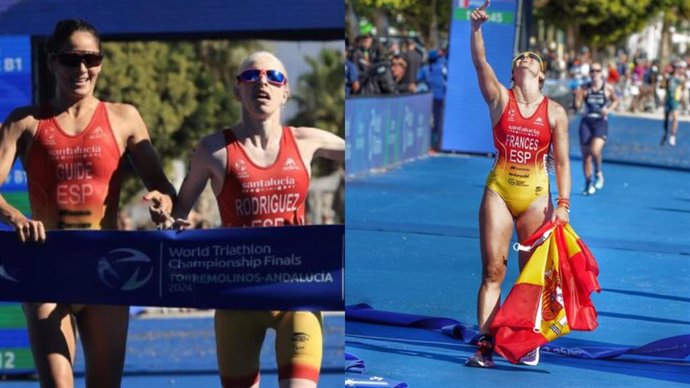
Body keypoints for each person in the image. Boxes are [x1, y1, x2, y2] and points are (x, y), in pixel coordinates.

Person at [151, 51, 344, 388]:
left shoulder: (306, 140)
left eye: (274, 77)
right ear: (236, 90)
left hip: (295, 295)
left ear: (286, 92)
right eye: (251, 76)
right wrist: (164, 214)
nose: (263, 83)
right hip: (237, 297)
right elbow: (175, 219)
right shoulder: (212, 150)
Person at [0, 19, 175, 387]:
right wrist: (15, 217)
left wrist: (162, 203)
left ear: (101, 62)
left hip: (106, 267)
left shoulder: (124, 117)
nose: (82, 68)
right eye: (70, 59)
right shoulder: (25, 122)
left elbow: (163, 189)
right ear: (52, 62)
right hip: (47, 265)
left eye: (91, 58)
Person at [467, 0, 571, 368]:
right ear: (514, 71)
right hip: (499, 191)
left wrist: (564, 204)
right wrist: (476, 29)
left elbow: (561, 162)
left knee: (531, 274)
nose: (524, 58)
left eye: (532, 58)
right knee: (493, 270)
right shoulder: (499, 98)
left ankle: (527, 338)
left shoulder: (555, 112)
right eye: (520, 57)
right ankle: (484, 343)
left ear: (541, 75)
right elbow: (481, 64)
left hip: (537, 198)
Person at [574, 62, 618, 195]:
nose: (595, 73)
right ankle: (588, 183)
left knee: (595, 150)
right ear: (589, 73)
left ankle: (598, 171)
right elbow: (577, 106)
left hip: (600, 122)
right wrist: (578, 96)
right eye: (592, 71)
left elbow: (615, 101)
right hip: (586, 122)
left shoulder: (607, 88)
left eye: (597, 71)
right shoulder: (584, 88)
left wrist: (608, 110)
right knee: (586, 156)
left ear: (601, 73)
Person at [417, 50, 448, 151]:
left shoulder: (426, 69)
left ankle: (432, 144)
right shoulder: (444, 66)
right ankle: (438, 144)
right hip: (443, 98)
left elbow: (417, 78)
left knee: (431, 122)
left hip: (431, 99)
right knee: (439, 122)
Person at [661, 60, 686, 146]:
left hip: (675, 100)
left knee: (675, 117)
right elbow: (663, 86)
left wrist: (681, 98)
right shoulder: (669, 77)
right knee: (666, 119)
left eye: (677, 67)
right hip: (668, 99)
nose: (676, 69)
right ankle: (666, 133)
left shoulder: (680, 78)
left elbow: (683, 87)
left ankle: (672, 135)